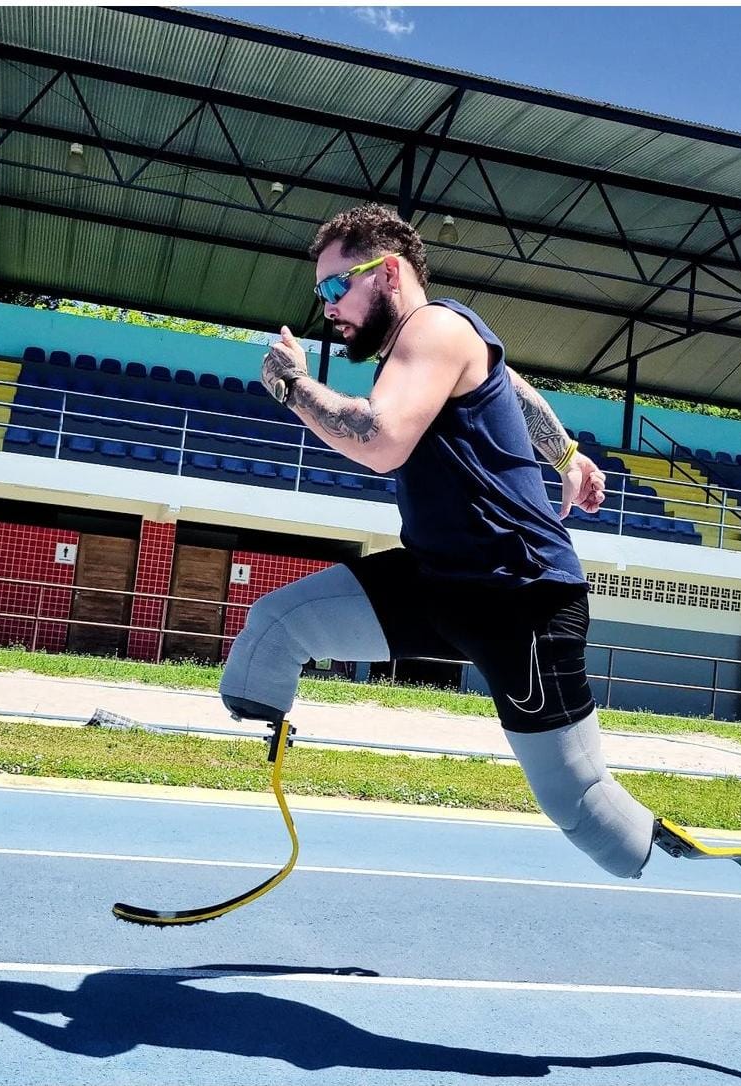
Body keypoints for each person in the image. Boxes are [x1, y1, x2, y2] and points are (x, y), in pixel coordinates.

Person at [219, 203, 655, 879]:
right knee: (276, 625)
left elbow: (382, 440)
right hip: (438, 581)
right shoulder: (435, 343)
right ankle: (260, 747)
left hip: (522, 598)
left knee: (582, 808)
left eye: (337, 287)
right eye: (320, 293)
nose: (328, 306)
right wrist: (566, 454)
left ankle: (707, 870)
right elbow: (513, 386)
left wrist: (294, 387)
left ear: (387, 273)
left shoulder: (434, 327)